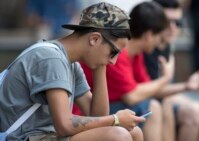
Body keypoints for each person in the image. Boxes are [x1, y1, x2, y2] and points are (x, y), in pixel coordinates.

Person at [0, 2, 145, 141]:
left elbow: (96, 115)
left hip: (44, 135)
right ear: (94, 39)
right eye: (113, 53)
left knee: (134, 132)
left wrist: (101, 67)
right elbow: (65, 125)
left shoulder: (71, 64)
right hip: (20, 137)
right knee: (118, 135)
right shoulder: (51, 59)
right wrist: (116, 119)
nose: (113, 61)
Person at [77, 2, 177, 141]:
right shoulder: (111, 54)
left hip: (97, 111)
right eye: (159, 38)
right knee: (152, 107)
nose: (113, 60)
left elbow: (148, 89)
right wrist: (166, 78)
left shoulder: (131, 55)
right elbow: (131, 96)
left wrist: (187, 86)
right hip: (86, 116)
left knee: (164, 105)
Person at [144, 0, 199, 141]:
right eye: (167, 22)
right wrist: (190, 92)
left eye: (178, 23)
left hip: (160, 103)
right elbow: (151, 93)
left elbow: (165, 90)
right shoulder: (146, 49)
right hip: (147, 107)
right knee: (193, 113)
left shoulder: (167, 47)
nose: (173, 28)